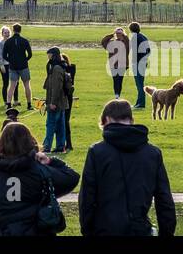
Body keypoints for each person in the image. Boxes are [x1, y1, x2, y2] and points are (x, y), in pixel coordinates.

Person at [79, 99, 176, 236]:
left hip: (104, 229)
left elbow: (87, 199)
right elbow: (164, 200)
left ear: (106, 119)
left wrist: (87, 229)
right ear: (131, 120)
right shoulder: (152, 154)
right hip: (139, 229)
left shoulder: (97, 152)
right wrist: (167, 232)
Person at [0, 122, 79, 236]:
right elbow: (71, 177)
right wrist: (51, 161)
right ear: (29, 142)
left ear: (1, 143)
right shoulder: (40, 171)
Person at [42, 48, 71, 153]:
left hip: (56, 103)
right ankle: (60, 147)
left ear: (53, 55)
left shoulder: (56, 69)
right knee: (60, 126)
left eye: (49, 55)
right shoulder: (58, 67)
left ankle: (46, 147)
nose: (48, 57)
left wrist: (52, 103)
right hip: (61, 103)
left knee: (50, 125)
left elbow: (56, 87)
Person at [2, 23, 33, 109]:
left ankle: (8, 104)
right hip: (23, 66)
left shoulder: (8, 41)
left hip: (13, 67)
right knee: (27, 85)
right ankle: (29, 104)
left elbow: (4, 55)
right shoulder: (25, 41)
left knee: (12, 86)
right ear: (20, 30)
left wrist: (11, 61)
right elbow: (30, 54)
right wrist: (24, 60)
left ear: (13, 30)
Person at [100, 26, 130, 98]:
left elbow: (128, 41)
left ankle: (118, 95)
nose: (118, 35)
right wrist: (112, 34)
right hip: (113, 65)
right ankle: (116, 95)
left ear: (123, 34)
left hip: (122, 65)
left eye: (120, 33)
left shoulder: (126, 43)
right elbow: (103, 41)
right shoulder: (111, 43)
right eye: (117, 33)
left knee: (119, 80)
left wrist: (124, 35)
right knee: (115, 80)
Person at [130, 22, 151, 108]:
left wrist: (133, 62)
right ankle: (138, 103)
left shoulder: (134, 37)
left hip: (137, 63)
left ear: (131, 29)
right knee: (140, 83)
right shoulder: (143, 36)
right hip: (143, 62)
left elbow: (134, 51)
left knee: (139, 84)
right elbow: (149, 50)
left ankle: (141, 104)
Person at [60, 51, 77, 151]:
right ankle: (66, 143)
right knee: (64, 120)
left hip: (66, 96)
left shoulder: (70, 68)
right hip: (67, 96)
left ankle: (68, 143)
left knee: (65, 120)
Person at [0, 26, 12, 109]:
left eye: (8, 32)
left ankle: (15, 100)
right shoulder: (0, 43)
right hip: (4, 65)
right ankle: (5, 101)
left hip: (11, 64)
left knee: (15, 83)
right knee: (6, 83)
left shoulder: (11, 42)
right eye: (5, 33)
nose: (7, 34)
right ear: (2, 34)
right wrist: (1, 65)